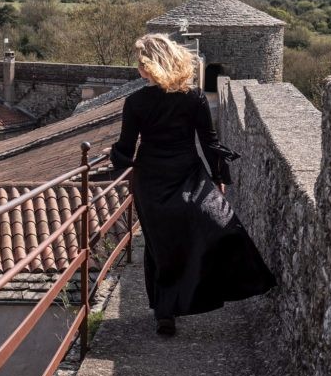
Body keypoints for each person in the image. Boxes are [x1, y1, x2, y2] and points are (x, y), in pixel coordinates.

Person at [110, 33, 276, 336]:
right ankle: (166, 313)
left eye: (140, 63)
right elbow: (209, 143)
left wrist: (117, 168)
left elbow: (124, 148)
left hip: (151, 181)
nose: (138, 68)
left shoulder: (136, 103)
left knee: (160, 245)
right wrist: (219, 178)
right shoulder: (194, 97)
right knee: (218, 227)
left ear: (149, 66)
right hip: (187, 176)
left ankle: (166, 310)